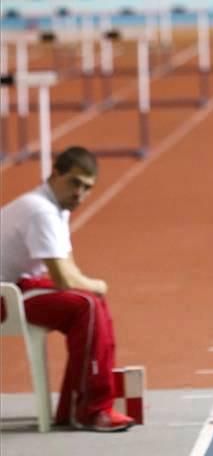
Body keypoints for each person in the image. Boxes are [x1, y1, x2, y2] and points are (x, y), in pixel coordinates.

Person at [0, 146, 135, 431]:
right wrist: (99, 285)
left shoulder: (56, 208)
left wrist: (93, 289)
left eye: (87, 188)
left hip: (14, 287)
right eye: (74, 183)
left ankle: (76, 406)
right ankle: (91, 409)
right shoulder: (41, 211)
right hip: (5, 294)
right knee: (85, 305)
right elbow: (63, 278)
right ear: (55, 174)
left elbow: (69, 268)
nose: (80, 194)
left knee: (92, 301)